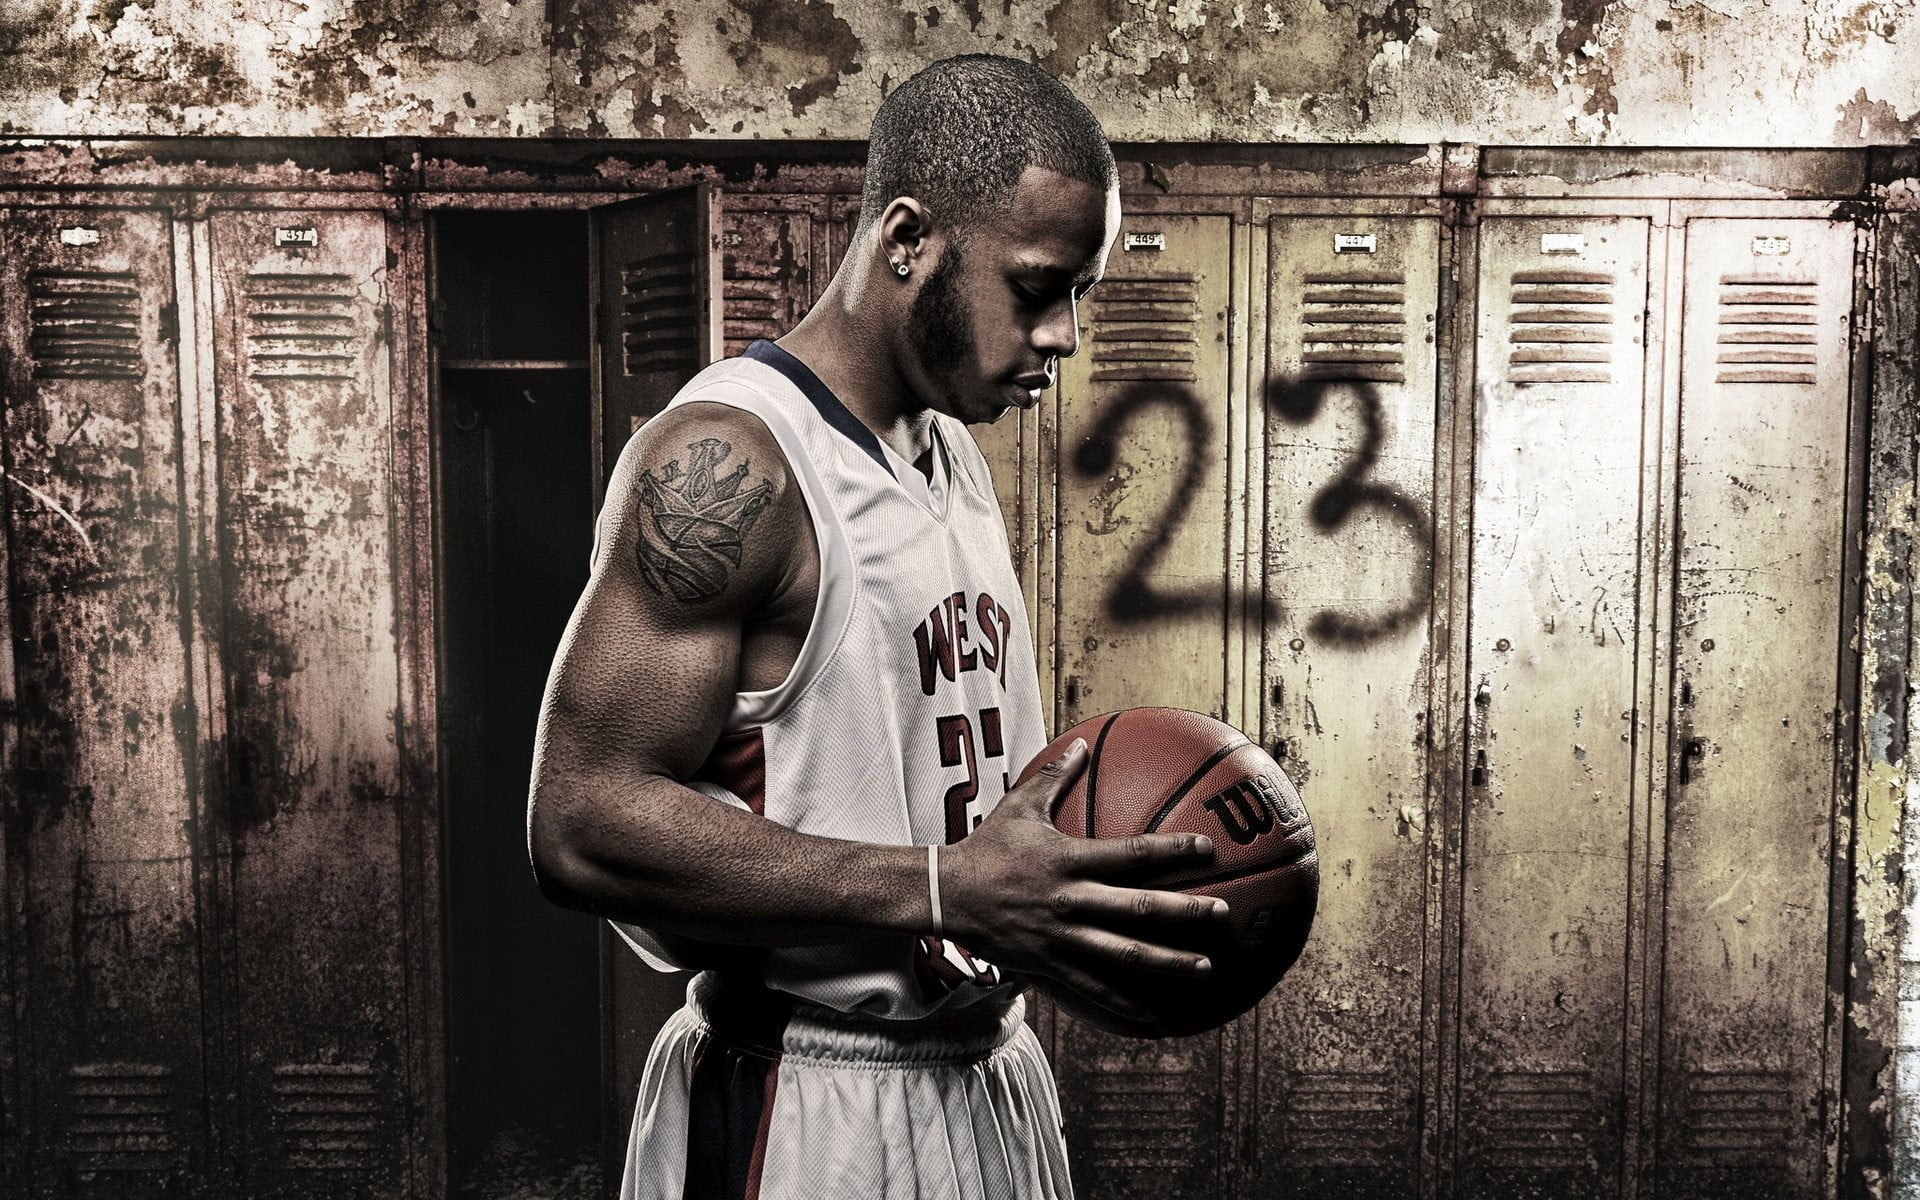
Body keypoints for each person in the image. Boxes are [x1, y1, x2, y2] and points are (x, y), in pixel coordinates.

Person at [526, 53, 1227, 1200]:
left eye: (1079, 298)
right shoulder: (734, 465)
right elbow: (581, 821)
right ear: (907, 239)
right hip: (805, 1097)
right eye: (1038, 287)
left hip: (985, 1071)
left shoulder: (945, 450)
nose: (1063, 337)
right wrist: (948, 888)